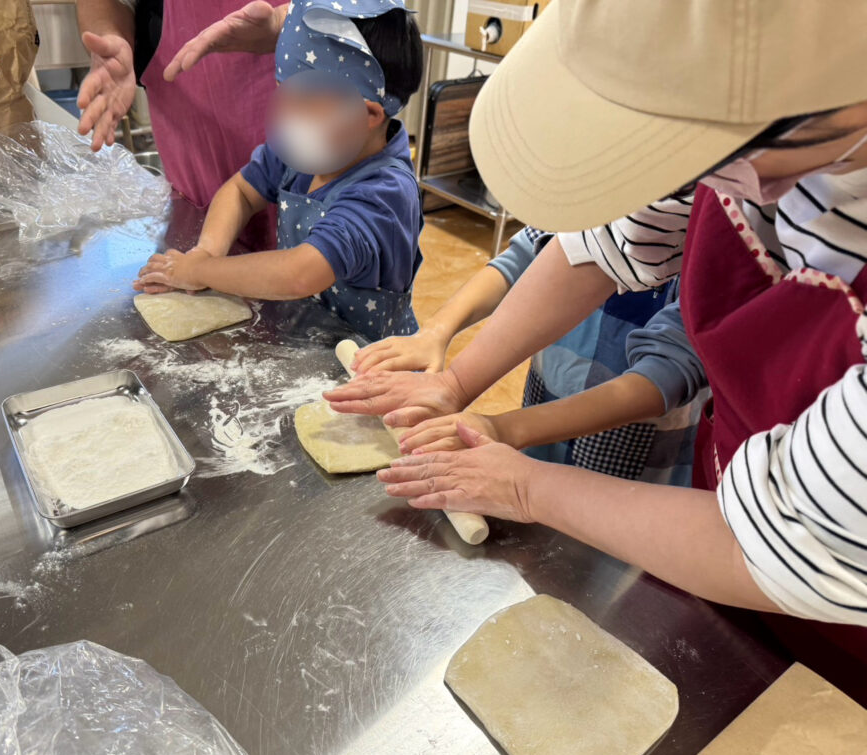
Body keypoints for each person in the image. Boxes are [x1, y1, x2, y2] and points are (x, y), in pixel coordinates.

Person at [322, 0, 867, 697]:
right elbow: (602, 247)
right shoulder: (735, 112)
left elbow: (779, 545)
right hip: (727, 518)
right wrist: (456, 382)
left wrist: (525, 485)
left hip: (838, 623)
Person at [134, 0, 424, 341]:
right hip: (308, 342)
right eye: (283, 93)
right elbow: (241, 192)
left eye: (303, 104)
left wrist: (202, 271)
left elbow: (300, 273)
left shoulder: (384, 193)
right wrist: (205, 253)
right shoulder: (308, 152)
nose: (287, 117)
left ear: (368, 114)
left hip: (367, 361)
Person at [354, 225, 705, 487]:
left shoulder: (703, 241)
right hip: (540, 414)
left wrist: (504, 426)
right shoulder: (590, 190)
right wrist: (437, 335)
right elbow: (524, 256)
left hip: (633, 458)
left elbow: (666, 372)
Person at [75, 0, 287, 250]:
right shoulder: (259, 174)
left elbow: (305, 267)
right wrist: (109, 33)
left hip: (312, 188)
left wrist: (286, 23)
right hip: (198, 187)